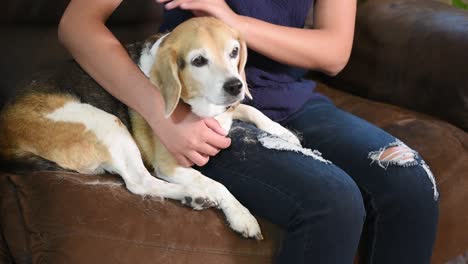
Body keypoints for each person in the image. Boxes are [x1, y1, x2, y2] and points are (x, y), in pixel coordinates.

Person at [58, 0, 439, 263]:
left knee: (411, 183)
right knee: (334, 199)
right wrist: (161, 114)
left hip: (290, 101)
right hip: (195, 105)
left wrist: (231, 20)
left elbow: (334, 52)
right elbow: (77, 25)